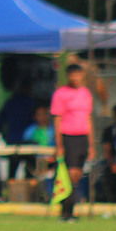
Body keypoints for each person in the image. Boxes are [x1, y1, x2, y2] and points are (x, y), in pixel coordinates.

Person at [49, 63, 94, 222]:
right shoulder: (61, 94)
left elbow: (88, 118)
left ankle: (71, 211)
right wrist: (59, 144)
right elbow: (57, 120)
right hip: (69, 137)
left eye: (78, 74)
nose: (75, 78)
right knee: (70, 175)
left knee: (78, 175)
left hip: (82, 138)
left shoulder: (85, 93)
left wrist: (91, 144)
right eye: (72, 75)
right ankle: (66, 212)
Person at [0, 79, 36, 181]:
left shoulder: (10, 102)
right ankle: (29, 188)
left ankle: (11, 187)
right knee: (30, 171)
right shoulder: (31, 103)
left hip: (13, 141)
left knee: (12, 170)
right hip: (28, 141)